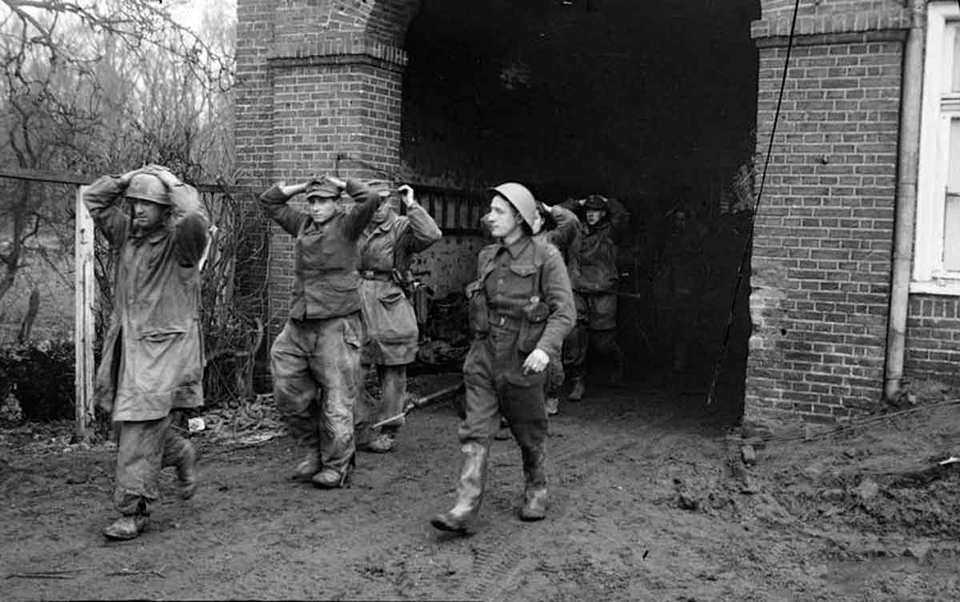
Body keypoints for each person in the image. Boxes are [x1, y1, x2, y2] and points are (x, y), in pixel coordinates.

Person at [431, 182, 574, 533]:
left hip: (523, 353)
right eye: (490, 209)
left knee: (528, 429)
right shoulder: (487, 257)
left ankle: (536, 487)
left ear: (521, 218)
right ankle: (464, 507)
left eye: (499, 211)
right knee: (475, 429)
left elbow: (564, 312)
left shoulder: (546, 256)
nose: (488, 217)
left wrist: (544, 349)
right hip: (483, 352)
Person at [84, 165, 209, 540]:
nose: (138, 209)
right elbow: (92, 198)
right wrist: (125, 180)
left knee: (138, 430)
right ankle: (180, 453)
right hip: (130, 349)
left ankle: (133, 510)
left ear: (165, 207)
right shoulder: (128, 236)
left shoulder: (181, 244)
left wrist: (173, 184)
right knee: (127, 430)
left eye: (148, 203)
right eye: (134, 202)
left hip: (163, 353)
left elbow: (193, 218)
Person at [260, 175, 380, 488]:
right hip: (300, 321)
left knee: (338, 398)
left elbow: (368, 199)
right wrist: (303, 187)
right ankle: (314, 449)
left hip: (336, 322)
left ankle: (338, 465)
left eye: (323, 200)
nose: (315, 207)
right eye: (312, 201)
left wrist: (342, 183)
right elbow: (269, 202)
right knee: (287, 389)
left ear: (336, 202)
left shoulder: (348, 225)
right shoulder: (302, 226)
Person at [354, 182, 442, 453]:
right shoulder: (358, 224)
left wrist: (412, 204)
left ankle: (388, 429)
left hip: (389, 301)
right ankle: (361, 423)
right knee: (351, 368)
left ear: (391, 202)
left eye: (383, 202)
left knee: (392, 371)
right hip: (357, 298)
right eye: (373, 203)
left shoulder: (402, 226)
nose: (379, 208)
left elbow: (431, 234)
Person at [562, 194, 630, 401]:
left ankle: (619, 363)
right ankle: (577, 381)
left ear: (604, 213)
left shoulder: (612, 231)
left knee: (603, 343)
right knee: (574, 337)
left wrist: (608, 200)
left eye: (596, 210)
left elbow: (623, 215)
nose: (591, 214)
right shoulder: (574, 228)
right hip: (577, 288)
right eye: (588, 210)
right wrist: (577, 202)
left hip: (603, 290)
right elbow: (554, 212)